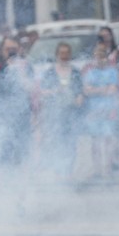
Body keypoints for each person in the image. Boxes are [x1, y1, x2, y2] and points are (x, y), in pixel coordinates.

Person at [37, 42, 84, 177]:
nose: (64, 56)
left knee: (71, 142)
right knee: (57, 140)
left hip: (71, 111)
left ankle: (68, 170)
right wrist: (54, 91)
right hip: (55, 112)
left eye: (67, 53)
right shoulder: (50, 72)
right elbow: (43, 92)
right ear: (57, 55)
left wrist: (79, 98)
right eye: (62, 53)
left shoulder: (75, 71)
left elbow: (80, 90)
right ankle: (58, 170)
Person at [0, 36, 34, 166]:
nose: (11, 52)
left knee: (22, 148)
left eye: (13, 49)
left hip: (22, 114)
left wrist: (21, 72)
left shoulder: (26, 66)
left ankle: (20, 178)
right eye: (8, 49)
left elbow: (32, 88)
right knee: (4, 148)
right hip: (3, 115)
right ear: (2, 50)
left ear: (19, 50)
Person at [82, 43, 119, 178]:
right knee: (95, 141)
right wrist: (102, 89)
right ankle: (97, 170)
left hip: (109, 111)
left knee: (109, 139)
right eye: (98, 55)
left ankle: (108, 169)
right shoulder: (90, 73)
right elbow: (86, 91)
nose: (100, 57)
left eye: (102, 54)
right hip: (94, 112)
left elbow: (113, 90)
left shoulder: (112, 71)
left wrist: (95, 90)